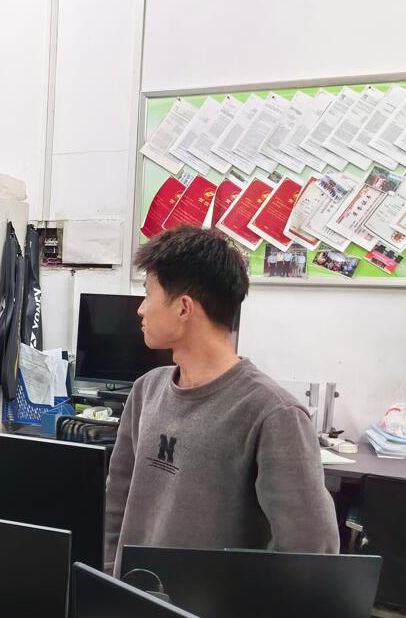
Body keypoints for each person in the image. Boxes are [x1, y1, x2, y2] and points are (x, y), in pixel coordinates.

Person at [103, 226, 337, 574]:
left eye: (147, 293)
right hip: (133, 600)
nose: (140, 309)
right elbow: (116, 499)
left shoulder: (273, 414)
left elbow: (313, 551)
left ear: (184, 308)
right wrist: (109, 574)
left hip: (213, 610)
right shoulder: (146, 390)